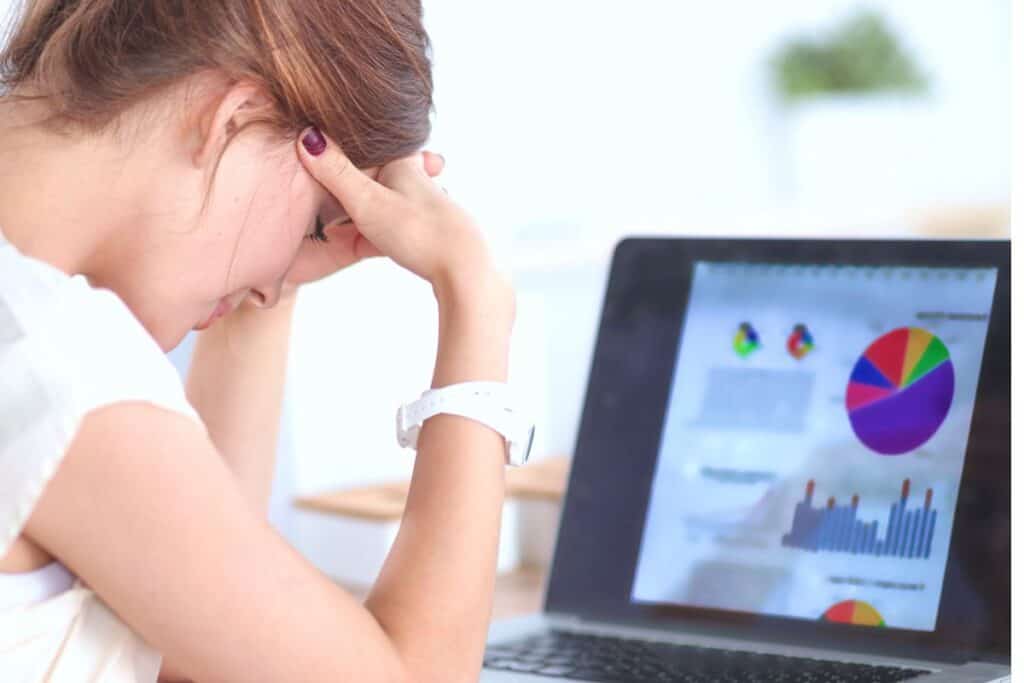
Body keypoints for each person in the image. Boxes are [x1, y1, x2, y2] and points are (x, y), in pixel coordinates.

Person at [0, 1, 515, 681]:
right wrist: (475, 293)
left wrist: (267, 287)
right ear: (231, 118)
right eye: (313, 221)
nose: (270, 285)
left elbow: (197, 633)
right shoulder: (57, 361)